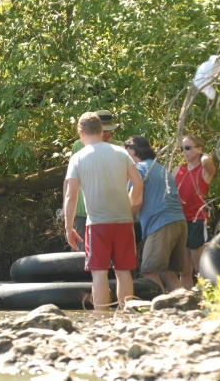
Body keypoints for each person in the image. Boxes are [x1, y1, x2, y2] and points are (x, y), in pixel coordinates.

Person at [64, 112, 143, 310]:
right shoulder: (121, 152)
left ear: (81, 133)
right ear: (102, 131)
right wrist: (128, 203)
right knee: (123, 271)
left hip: (97, 223)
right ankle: (126, 316)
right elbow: (138, 183)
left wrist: (68, 227)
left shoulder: (77, 157)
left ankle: (101, 318)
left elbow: (71, 196)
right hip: (123, 221)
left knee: (99, 272)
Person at [125, 136, 187, 293]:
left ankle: (161, 307)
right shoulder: (159, 167)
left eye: (127, 153)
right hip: (179, 222)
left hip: (161, 224)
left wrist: (124, 219)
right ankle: (186, 305)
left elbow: (136, 202)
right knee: (167, 272)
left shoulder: (138, 169)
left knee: (148, 270)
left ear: (135, 152)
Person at [66, 109, 122, 242]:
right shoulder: (79, 145)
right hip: (82, 212)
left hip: (111, 214)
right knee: (80, 257)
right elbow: (69, 182)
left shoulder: (119, 147)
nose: (105, 133)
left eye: (108, 130)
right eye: (103, 129)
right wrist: (66, 206)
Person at [172, 133, 217, 289]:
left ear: (199, 148)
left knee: (200, 268)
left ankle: (207, 299)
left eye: (188, 148)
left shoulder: (204, 170)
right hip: (180, 221)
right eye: (182, 148)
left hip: (197, 220)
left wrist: (203, 156)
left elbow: (209, 164)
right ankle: (188, 301)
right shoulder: (178, 169)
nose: (184, 152)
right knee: (184, 270)